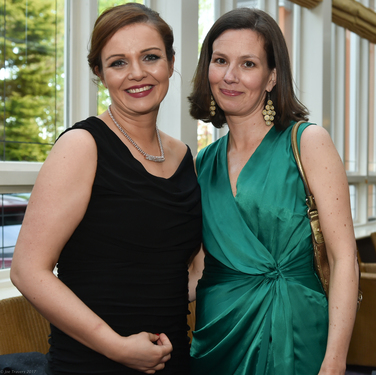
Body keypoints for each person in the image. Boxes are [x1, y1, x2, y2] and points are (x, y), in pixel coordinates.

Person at [10, 3, 201, 374]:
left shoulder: (183, 156)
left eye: (150, 57)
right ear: (99, 72)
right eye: (118, 62)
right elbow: (27, 270)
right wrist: (116, 347)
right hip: (93, 364)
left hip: (173, 361)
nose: (137, 73)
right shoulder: (82, 145)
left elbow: (183, 273)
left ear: (171, 61)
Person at [188, 8, 359, 375]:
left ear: (271, 78)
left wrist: (334, 361)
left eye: (248, 64)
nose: (230, 76)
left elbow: (345, 259)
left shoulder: (307, 142)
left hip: (295, 333)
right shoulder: (204, 162)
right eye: (220, 60)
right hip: (218, 334)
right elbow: (201, 267)